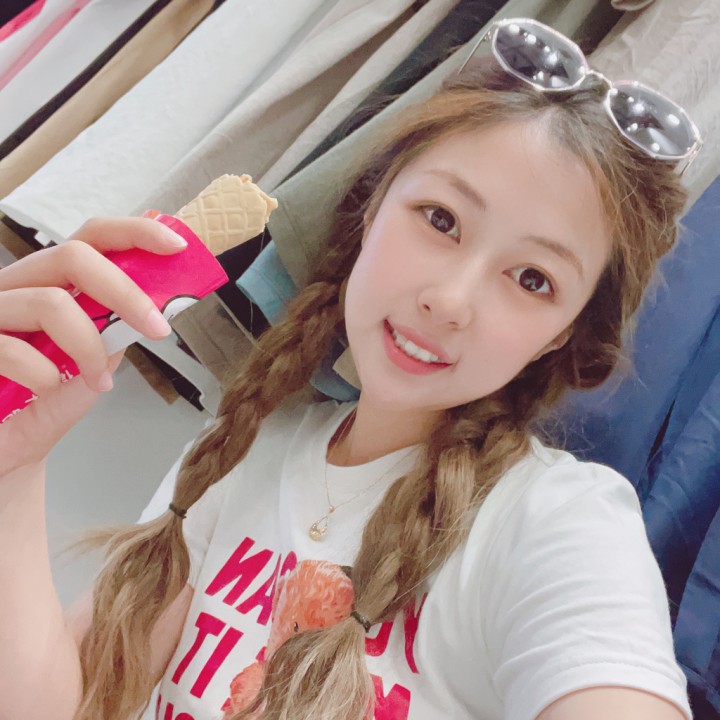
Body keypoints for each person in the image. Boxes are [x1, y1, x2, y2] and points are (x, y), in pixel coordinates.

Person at [0, 18, 701, 720]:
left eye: (532, 279)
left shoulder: (559, 524)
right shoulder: (242, 454)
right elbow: (65, 706)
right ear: (373, 206)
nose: (450, 301)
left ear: (561, 335)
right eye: (441, 219)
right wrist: (16, 467)